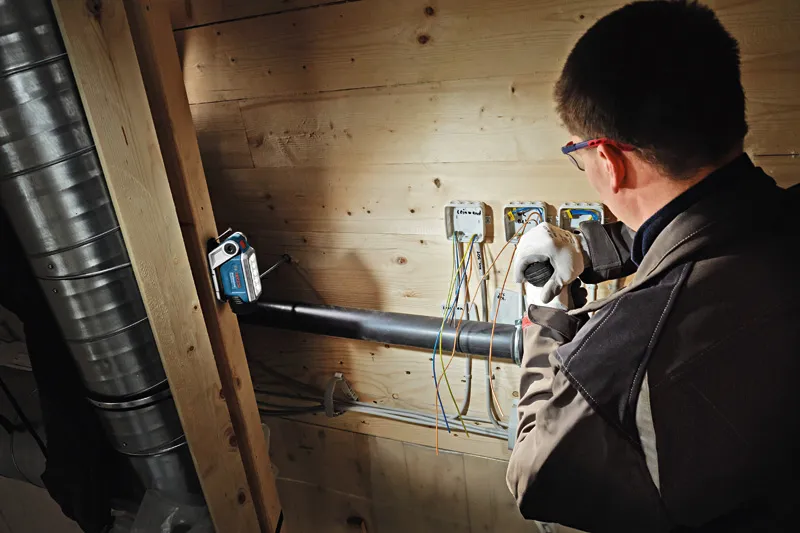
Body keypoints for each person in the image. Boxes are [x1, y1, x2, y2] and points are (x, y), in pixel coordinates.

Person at [506, 1, 800, 532]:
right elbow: (707, 221)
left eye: (580, 155)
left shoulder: (617, 361)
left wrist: (542, 320)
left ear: (609, 161)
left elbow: (535, 479)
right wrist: (596, 249)